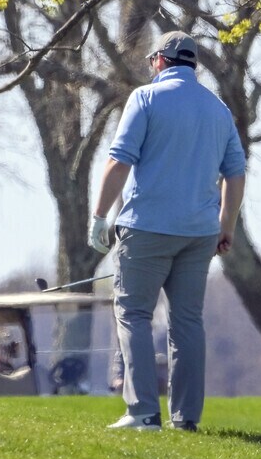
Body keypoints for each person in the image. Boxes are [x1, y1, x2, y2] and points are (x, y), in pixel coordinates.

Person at [91, 30, 246, 432]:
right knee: (187, 323)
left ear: (160, 60)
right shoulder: (218, 110)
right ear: (192, 64)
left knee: (133, 314)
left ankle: (143, 412)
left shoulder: (144, 98)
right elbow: (235, 173)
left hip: (147, 228)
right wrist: (225, 226)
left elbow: (119, 160)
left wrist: (99, 216)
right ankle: (186, 418)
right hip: (199, 233)